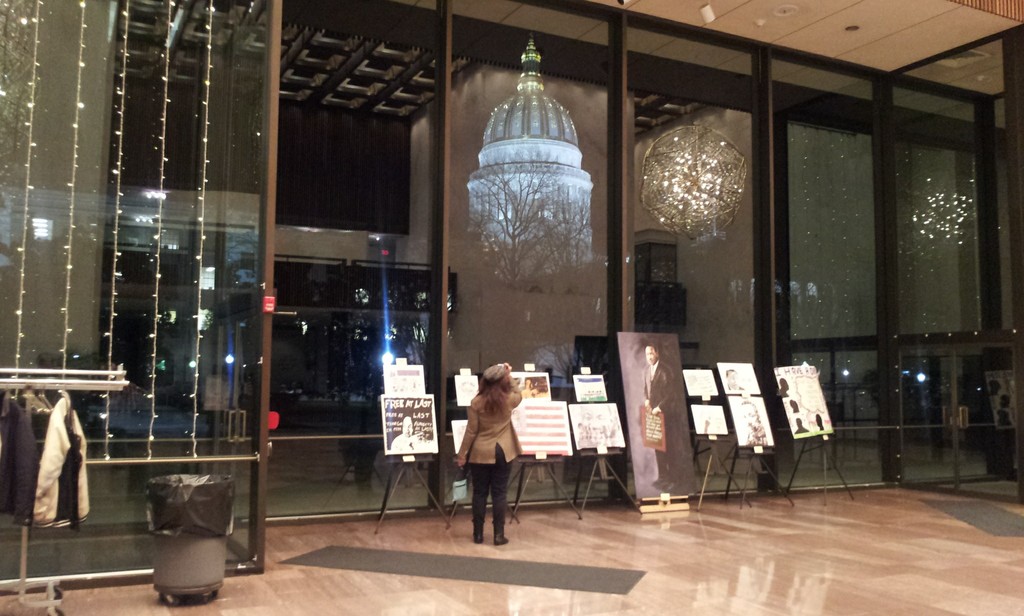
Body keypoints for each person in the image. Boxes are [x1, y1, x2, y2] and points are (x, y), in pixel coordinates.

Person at [457, 362, 522, 546]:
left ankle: (478, 534)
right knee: (499, 493)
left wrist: (462, 454)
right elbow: (519, 393)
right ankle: (498, 535)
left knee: (479, 493)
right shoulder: (509, 400)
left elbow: (471, 431)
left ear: (483, 382)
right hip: (503, 451)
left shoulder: (476, 403)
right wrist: (509, 375)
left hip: (480, 452)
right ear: (503, 381)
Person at [642, 343, 686, 492]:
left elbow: (671, 394)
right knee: (657, 447)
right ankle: (663, 477)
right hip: (654, 417)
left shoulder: (666, 371)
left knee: (670, 447)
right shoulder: (646, 371)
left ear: (657, 353)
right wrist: (646, 400)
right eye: (647, 354)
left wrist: (659, 408)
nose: (649, 357)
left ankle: (674, 479)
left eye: (651, 353)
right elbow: (646, 389)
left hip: (667, 415)